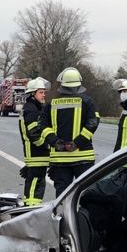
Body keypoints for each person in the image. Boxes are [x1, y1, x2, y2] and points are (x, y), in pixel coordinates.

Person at [42, 66, 101, 196]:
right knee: (86, 195)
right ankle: (83, 217)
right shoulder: (88, 102)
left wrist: (55, 142)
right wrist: (77, 143)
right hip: (83, 158)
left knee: (63, 197)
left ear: (62, 84)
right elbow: (93, 123)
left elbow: (43, 126)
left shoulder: (51, 103)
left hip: (60, 159)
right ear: (79, 84)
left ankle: (64, 217)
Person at [18, 77, 51, 206]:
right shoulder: (32, 109)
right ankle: (30, 208)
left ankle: (32, 206)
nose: (44, 95)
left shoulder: (33, 107)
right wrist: (46, 145)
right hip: (36, 153)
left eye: (44, 92)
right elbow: (33, 134)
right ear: (33, 93)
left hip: (36, 154)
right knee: (35, 184)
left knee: (36, 182)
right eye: (41, 92)